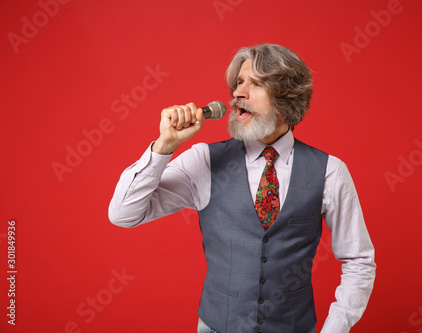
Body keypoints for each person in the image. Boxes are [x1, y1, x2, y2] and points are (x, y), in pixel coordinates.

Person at [109, 43, 375, 333]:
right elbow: (123, 214)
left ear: (287, 96)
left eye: (256, 83)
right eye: (238, 83)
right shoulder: (205, 160)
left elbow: (359, 260)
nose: (238, 94)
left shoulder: (330, 171)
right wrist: (164, 146)